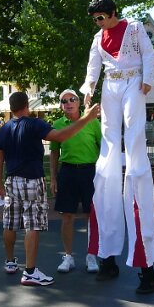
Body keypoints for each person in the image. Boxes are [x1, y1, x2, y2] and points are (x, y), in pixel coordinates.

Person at [81, 0, 154, 294]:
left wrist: (148, 79)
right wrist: (89, 88)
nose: (99, 22)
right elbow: (93, 67)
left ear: (113, 13)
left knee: (134, 129)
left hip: (133, 81)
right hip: (111, 84)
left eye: (101, 17)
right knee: (109, 141)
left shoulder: (135, 28)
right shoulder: (98, 38)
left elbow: (149, 54)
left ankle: (135, 164)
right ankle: (108, 257)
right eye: (96, 19)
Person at [0, 91, 100, 286]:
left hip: (11, 181)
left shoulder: (3, 130)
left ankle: (10, 262)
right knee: (32, 225)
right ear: (27, 106)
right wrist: (87, 118)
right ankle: (30, 272)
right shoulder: (35, 124)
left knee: (9, 223)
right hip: (32, 180)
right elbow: (61, 136)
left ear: (11, 108)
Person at [49, 89, 102, 274]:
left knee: (91, 215)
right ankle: (68, 256)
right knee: (67, 216)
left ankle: (91, 255)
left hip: (90, 172)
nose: (69, 103)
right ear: (61, 106)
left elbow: (103, 147)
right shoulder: (57, 125)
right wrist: (53, 177)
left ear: (79, 102)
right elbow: (54, 153)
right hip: (68, 171)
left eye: (72, 99)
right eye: (64, 101)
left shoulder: (93, 122)